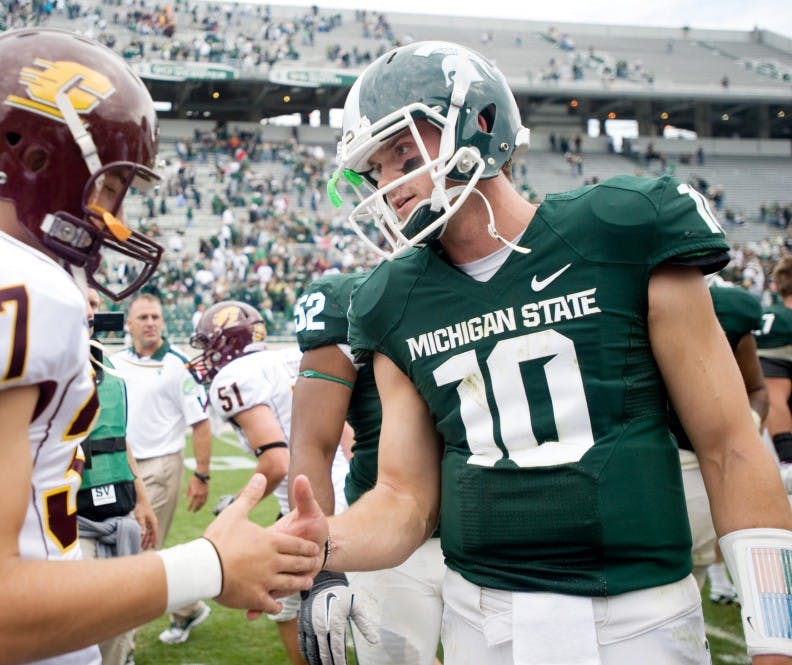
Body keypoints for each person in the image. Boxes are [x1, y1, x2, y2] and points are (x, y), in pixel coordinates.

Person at [0, 28, 321, 665]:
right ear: (40, 158)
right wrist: (208, 566)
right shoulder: (0, 283)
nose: (116, 217)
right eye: (112, 186)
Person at [282, 40, 792, 665]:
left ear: (481, 124)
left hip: (641, 612)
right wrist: (323, 542)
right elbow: (406, 500)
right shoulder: (390, 299)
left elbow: (730, 446)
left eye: (403, 154)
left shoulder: (622, 227)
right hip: (482, 615)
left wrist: (775, 637)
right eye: (376, 170)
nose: (388, 186)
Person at [289, 271, 444, 665]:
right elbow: (313, 442)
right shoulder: (349, 297)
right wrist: (320, 565)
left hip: (488, 530)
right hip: (390, 541)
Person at [189, 300, 350, 665]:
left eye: (208, 344)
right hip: (349, 492)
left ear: (225, 341)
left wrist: (237, 505)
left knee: (284, 605)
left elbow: (277, 460)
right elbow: (347, 436)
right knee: (381, 624)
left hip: (306, 506)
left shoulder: (233, 378)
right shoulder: (292, 358)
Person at [110, 293, 215, 646]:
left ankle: (125, 644)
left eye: (156, 316)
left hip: (161, 464)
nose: (151, 322)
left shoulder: (178, 364)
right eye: (143, 317)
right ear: (129, 324)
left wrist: (201, 474)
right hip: (121, 465)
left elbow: (200, 423)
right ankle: (188, 606)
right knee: (128, 549)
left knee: (140, 552)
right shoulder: (115, 361)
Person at [666, 276, 768, 604]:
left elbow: (757, 388)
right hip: (637, 461)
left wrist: (744, 426)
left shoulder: (731, 312)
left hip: (697, 463)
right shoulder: (629, 297)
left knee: (687, 581)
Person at [78, 288, 158, 665]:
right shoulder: (42, 369)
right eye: (86, 302)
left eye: (96, 304)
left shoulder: (108, 372)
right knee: (85, 625)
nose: (92, 312)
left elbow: (118, 440)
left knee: (119, 623)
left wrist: (141, 499)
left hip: (119, 513)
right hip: (72, 523)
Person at [757, 254, 792, 493]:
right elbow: (773, 392)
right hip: (782, 452)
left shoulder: (767, 315)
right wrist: (787, 452)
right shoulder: (783, 321)